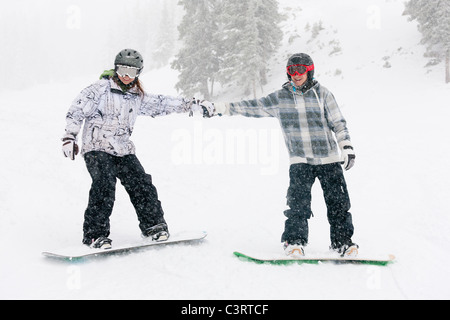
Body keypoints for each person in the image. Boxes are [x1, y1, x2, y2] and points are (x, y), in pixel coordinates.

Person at [62, 49, 214, 249]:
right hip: (96, 146)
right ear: (116, 69)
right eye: (123, 70)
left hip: (123, 150)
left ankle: (153, 226)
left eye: (131, 72)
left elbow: (163, 103)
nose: (126, 76)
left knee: (142, 183)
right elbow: (76, 111)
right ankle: (94, 235)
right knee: (104, 183)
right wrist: (69, 137)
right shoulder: (98, 89)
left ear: (138, 73)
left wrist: (193, 104)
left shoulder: (137, 96)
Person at [214, 53, 358, 257]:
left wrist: (346, 147)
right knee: (298, 205)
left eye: (301, 70)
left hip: (329, 159)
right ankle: (294, 242)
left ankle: (343, 243)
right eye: (292, 70)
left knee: (338, 205)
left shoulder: (323, 94)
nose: (296, 74)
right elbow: (252, 106)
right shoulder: (280, 98)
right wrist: (223, 108)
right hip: (300, 160)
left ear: (310, 71)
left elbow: (338, 122)